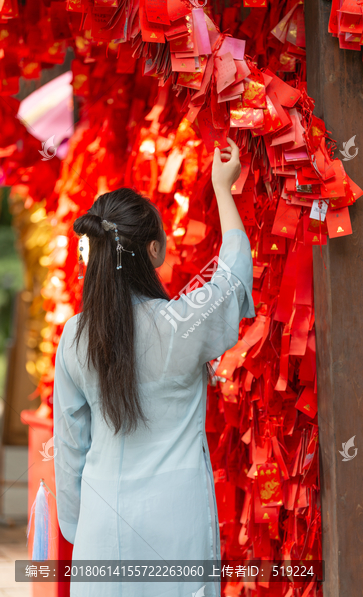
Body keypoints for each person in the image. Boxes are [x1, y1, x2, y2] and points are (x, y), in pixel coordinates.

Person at [53, 138, 255, 597]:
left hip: (100, 531)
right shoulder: (181, 324)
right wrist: (224, 189)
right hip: (174, 526)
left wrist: (79, 531)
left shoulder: (75, 336)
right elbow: (234, 277)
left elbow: (68, 445)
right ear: (155, 250)